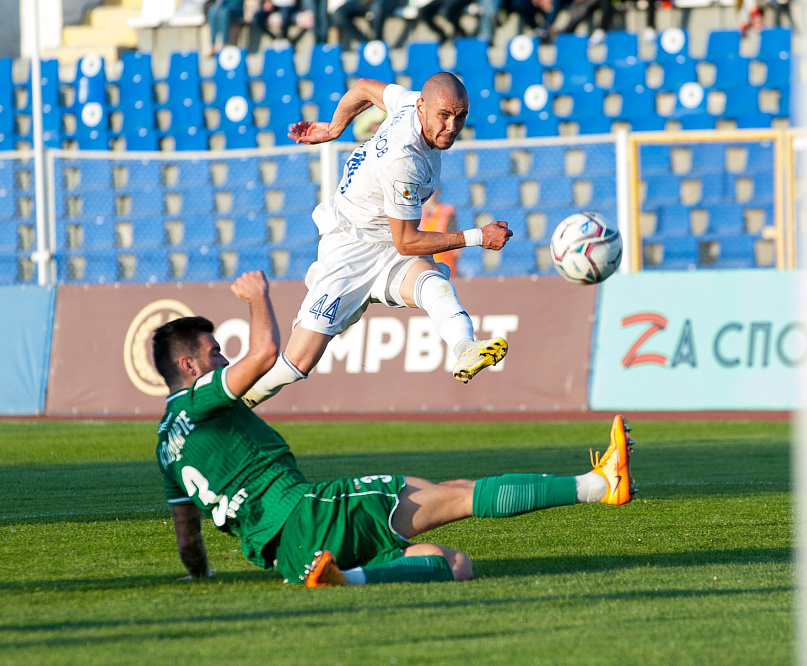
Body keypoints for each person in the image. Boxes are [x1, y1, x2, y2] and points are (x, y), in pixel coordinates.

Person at [153, 272, 635, 586]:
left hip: (288, 556)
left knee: (455, 565)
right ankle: (597, 485)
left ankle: (345, 578)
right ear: (189, 365)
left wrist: (201, 580)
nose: (224, 359)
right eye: (215, 353)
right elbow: (262, 355)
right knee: (459, 495)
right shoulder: (200, 396)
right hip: (310, 514)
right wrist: (257, 297)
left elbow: (188, 541)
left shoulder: (163, 447)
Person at [240, 73, 512, 410]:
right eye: (444, 115)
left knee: (433, 285)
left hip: (386, 238)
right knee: (298, 363)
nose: (452, 126)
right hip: (350, 248)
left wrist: (334, 128)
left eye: (461, 116)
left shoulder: (409, 102)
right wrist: (477, 237)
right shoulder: (404, 159)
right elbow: (408, 242)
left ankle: (465, 349)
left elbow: (364, 88)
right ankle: (234, 401)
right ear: (423, 107)